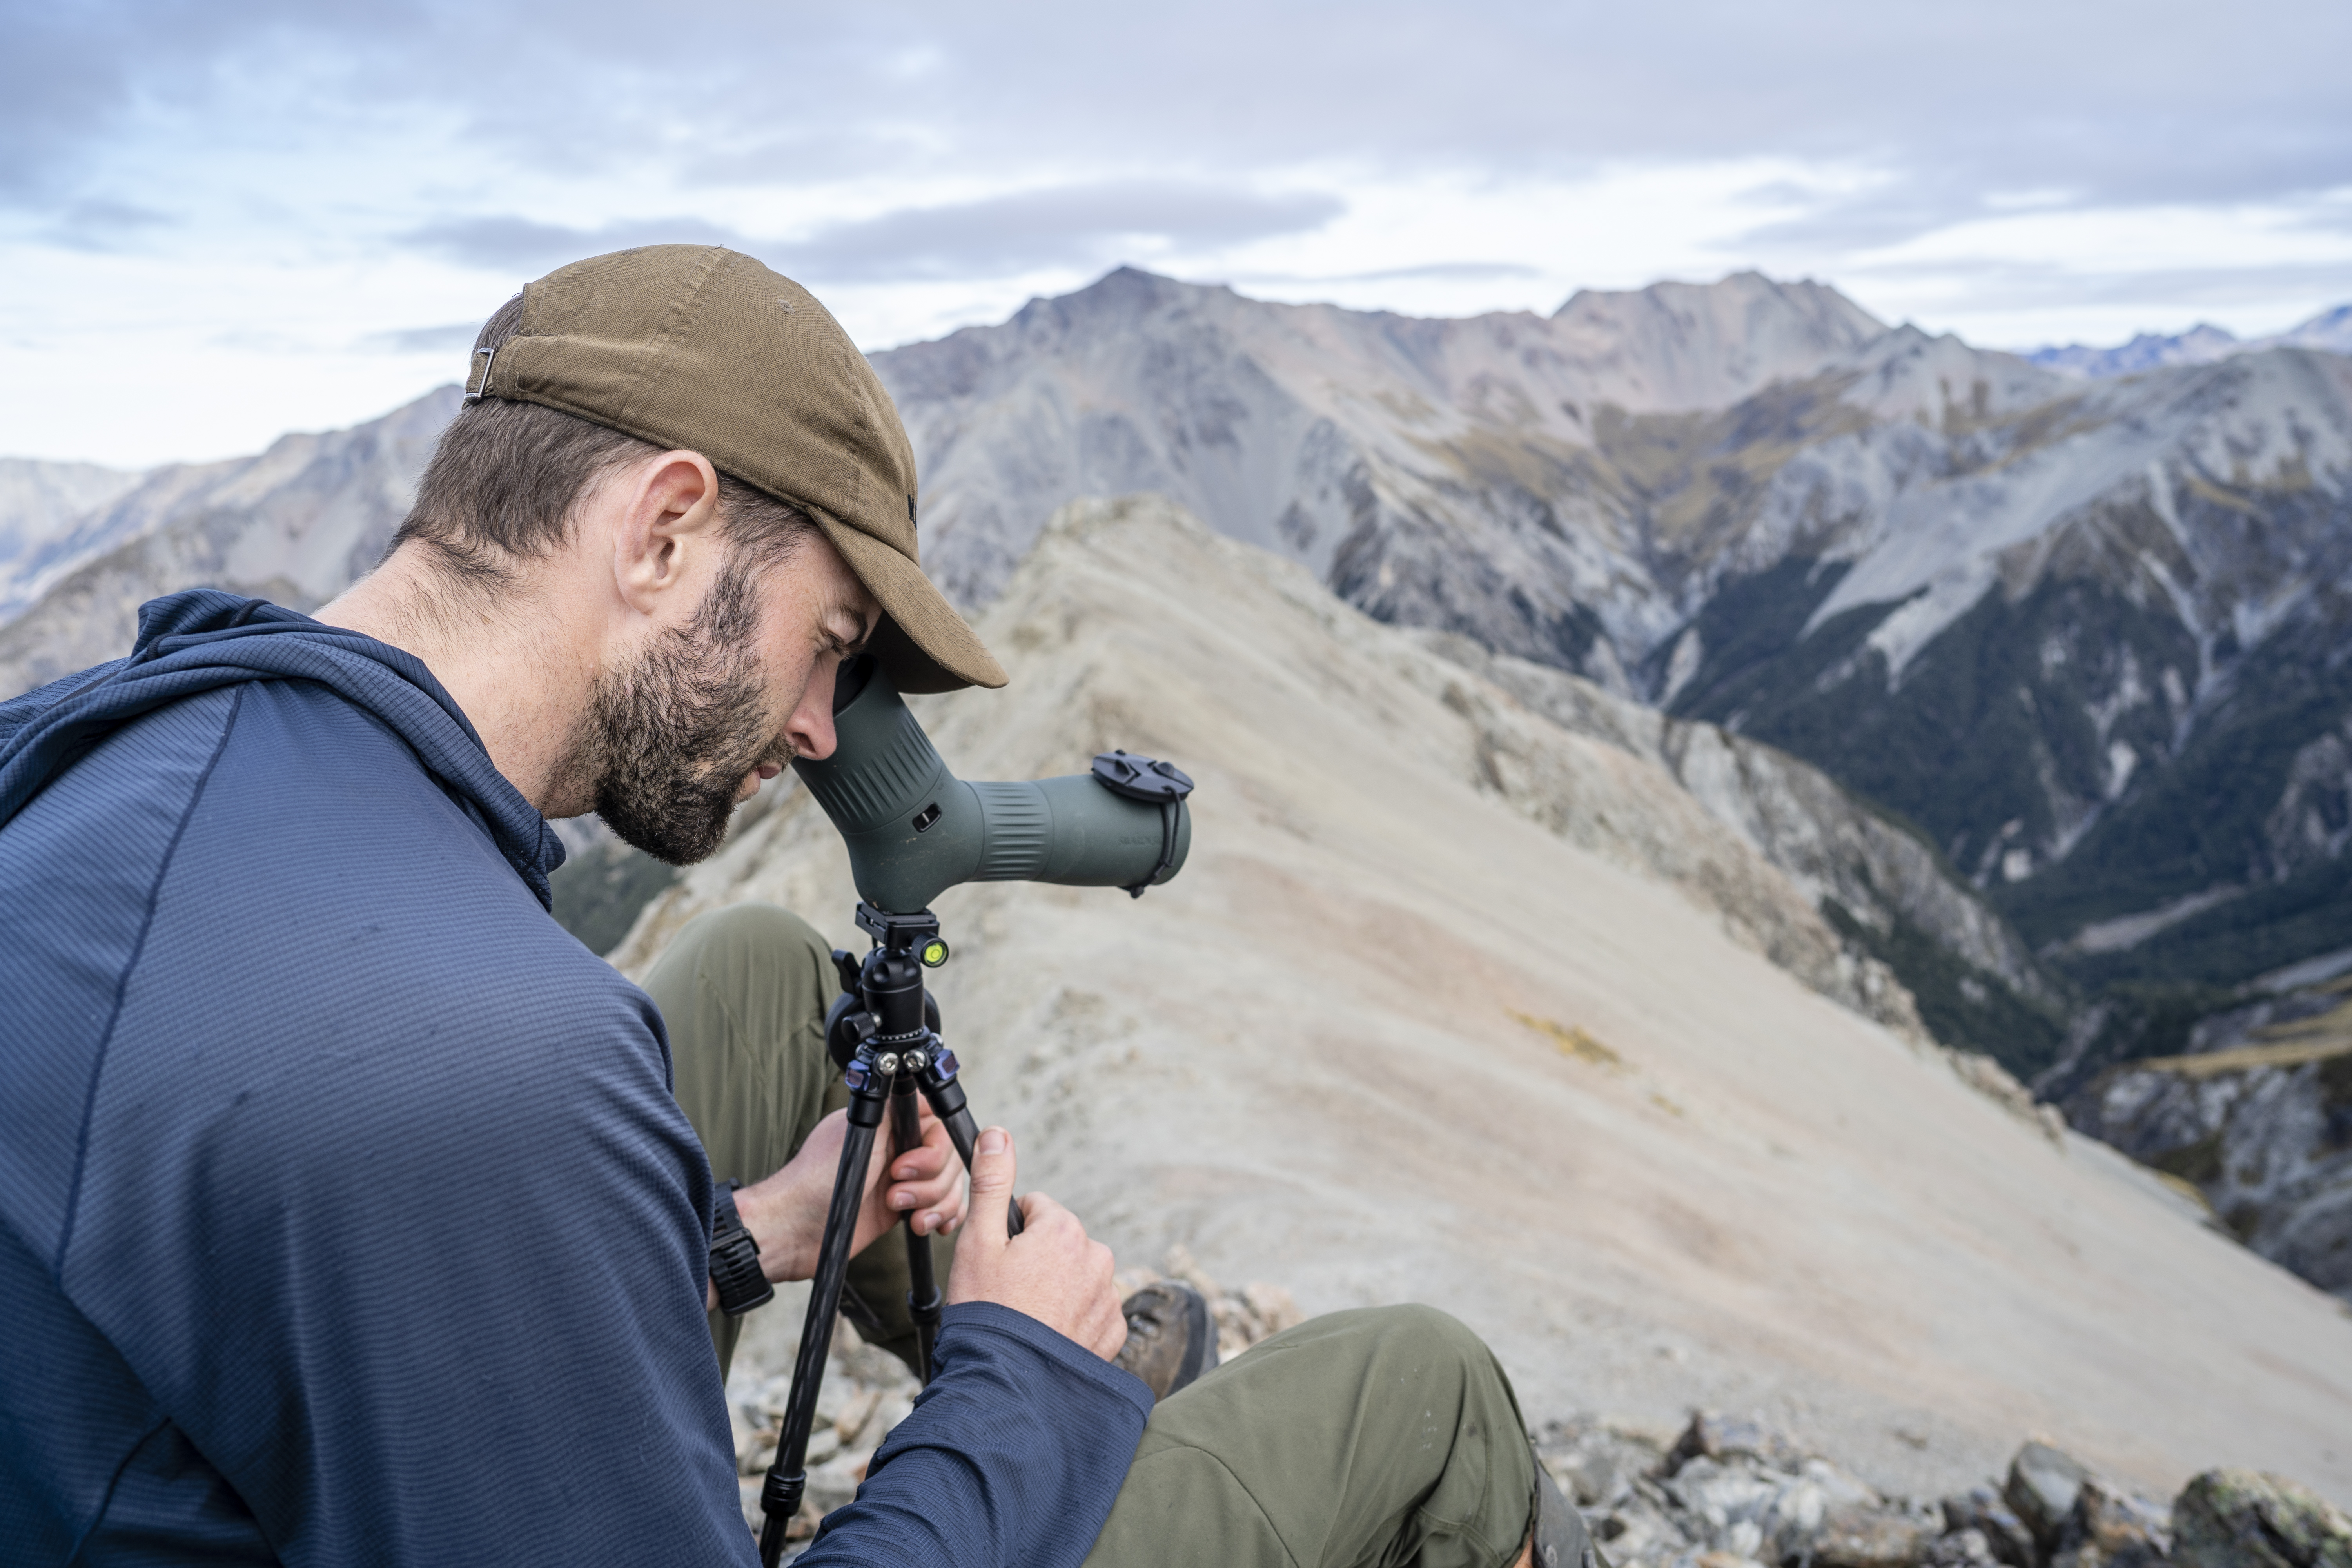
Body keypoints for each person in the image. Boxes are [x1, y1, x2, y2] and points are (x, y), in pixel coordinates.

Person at [0, 245, 1596, 1568]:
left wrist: (736, 1240)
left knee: (767, 969)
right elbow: (439, 1164)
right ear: (667, 527)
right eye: (827, 639)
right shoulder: (492, 1078)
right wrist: (1018, 1388)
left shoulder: (126, 755)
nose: (824, 728)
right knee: (1426, 1387)